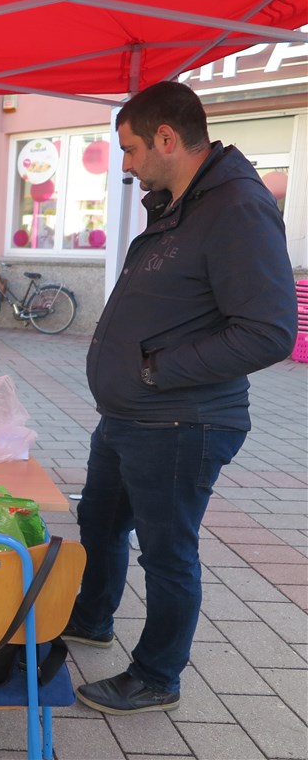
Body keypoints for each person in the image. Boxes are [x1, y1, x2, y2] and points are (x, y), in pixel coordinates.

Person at [66, 81, 297, 716]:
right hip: (130, 416)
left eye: (131, 148)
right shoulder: (181, 203)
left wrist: (155, 370)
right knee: (100, 522)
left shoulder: (236, 207)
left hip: (178, 420)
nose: (126, 164)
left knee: (168, 553)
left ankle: (157, 675)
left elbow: (269, 331)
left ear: (167, 138)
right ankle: (91, 619)